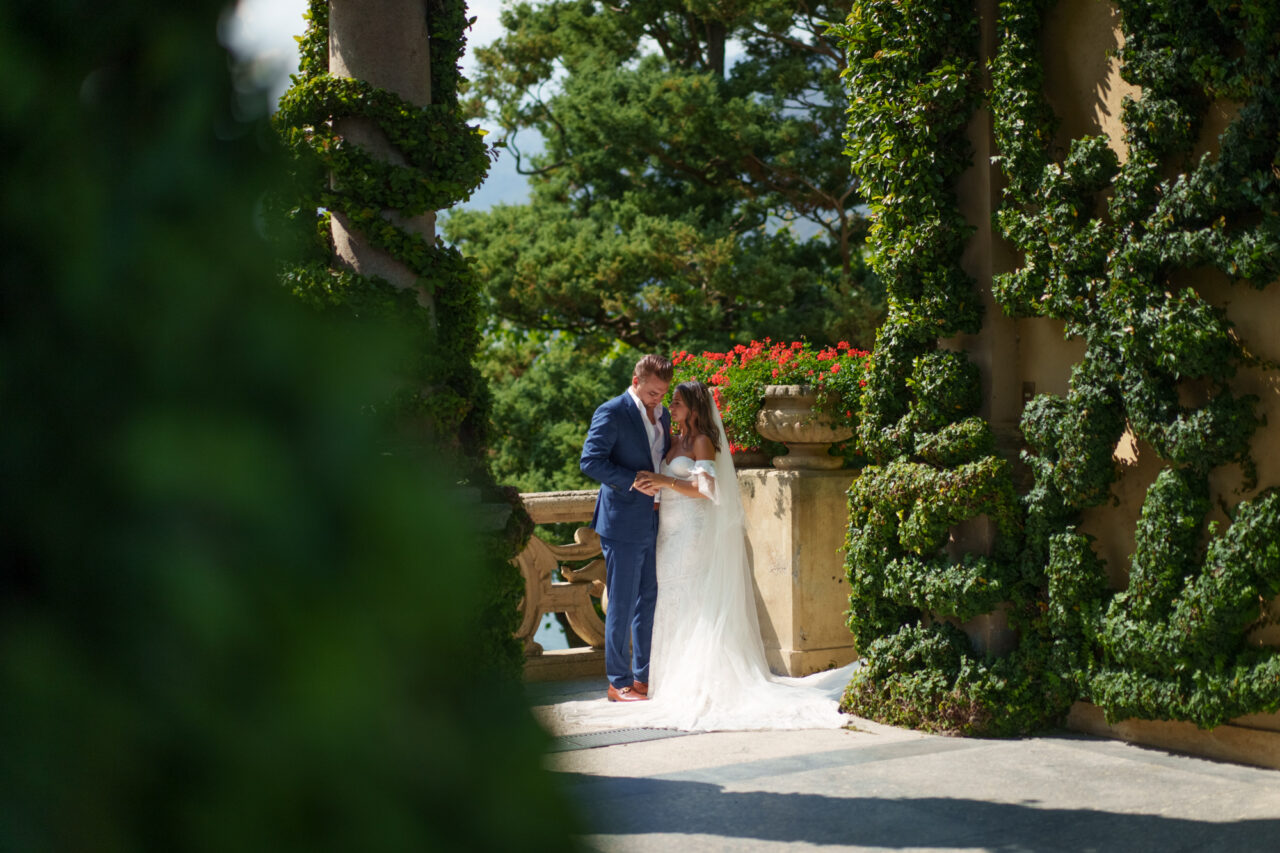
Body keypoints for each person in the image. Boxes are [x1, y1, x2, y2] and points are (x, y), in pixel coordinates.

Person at [557, 380, 858, 732]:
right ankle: (665, 677)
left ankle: (697, 679)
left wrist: (665, 482)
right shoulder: (672, 440)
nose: (673, 407)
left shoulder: (701, 442)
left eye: (679, 402)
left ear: (696, 408)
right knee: (666, 599)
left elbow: (707, 490)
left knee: (691, 598)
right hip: (666, 532)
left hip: (692, 532)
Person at [580, 354, 673, 703]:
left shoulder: (662, 414)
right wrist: (633, 481)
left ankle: (643, 678)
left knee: (649, 599)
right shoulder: (612, 411)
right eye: (652, 392)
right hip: (621, 521)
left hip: (656, 518)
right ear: (636, 382)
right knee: (621, 601)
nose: (658, 400)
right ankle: (617, 683)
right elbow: (590, 461)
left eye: (663, 393)